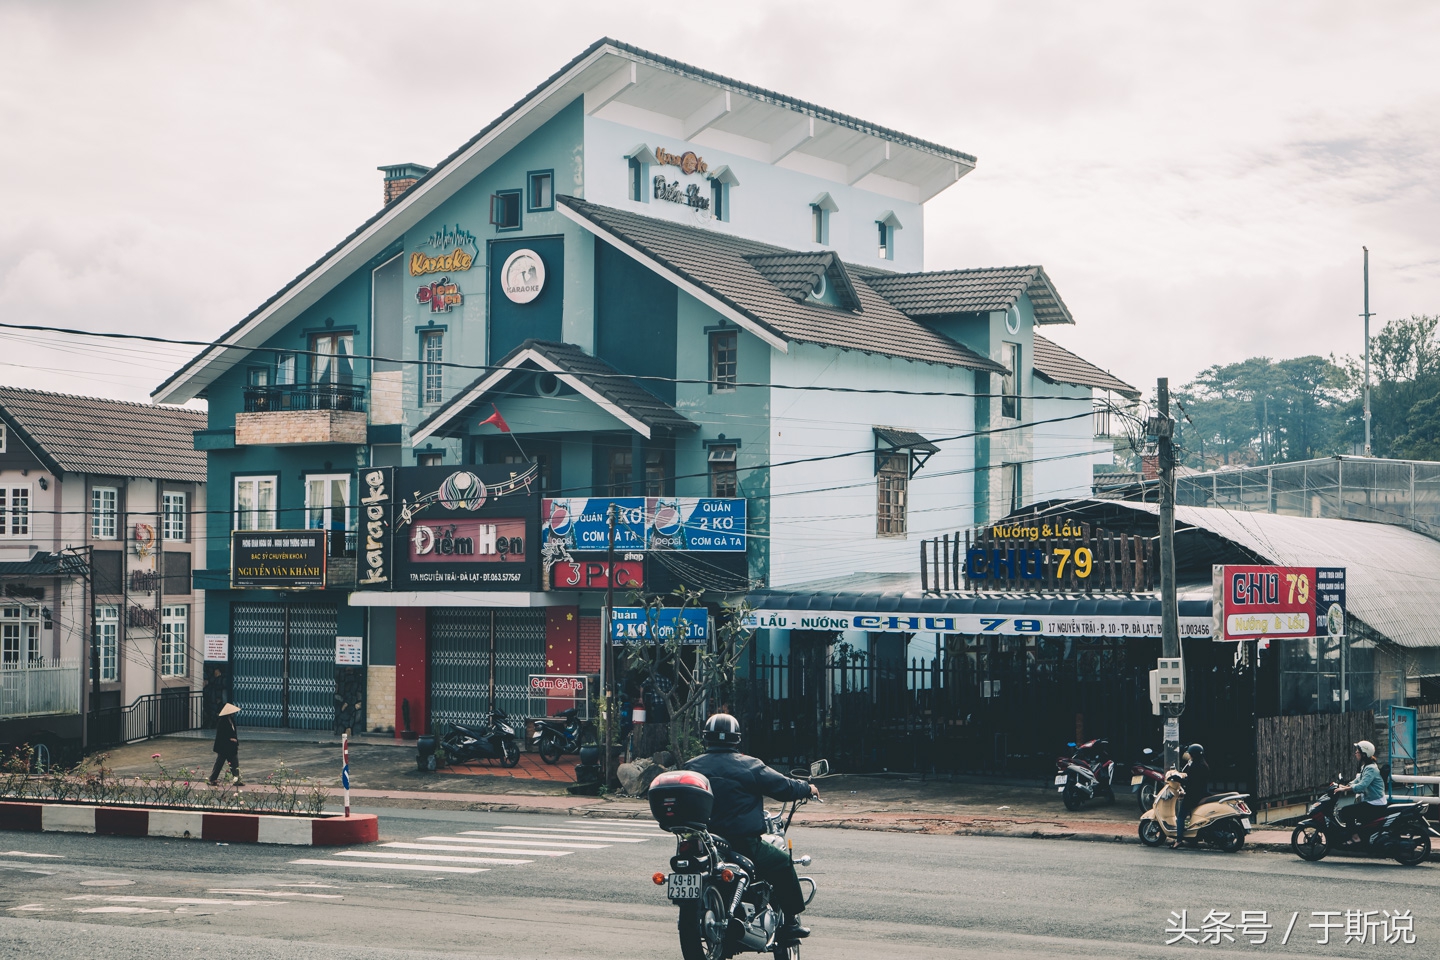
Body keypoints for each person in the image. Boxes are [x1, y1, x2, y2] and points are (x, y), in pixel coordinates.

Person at [684, 714, 819, 940]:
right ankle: (790, 923)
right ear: (737, 739)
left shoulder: (691, 766)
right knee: (783, 862)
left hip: (705, 843)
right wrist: (807, 788)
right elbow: (783, 787)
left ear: (705, 738)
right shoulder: (749, 765)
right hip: (742, 843)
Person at [1335, 739, 1387, 843]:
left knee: (1346, 812)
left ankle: (1355, 837)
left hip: (1375, 803)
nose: (1355, 753)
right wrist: (1344, 785)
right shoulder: (1366, 766)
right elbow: (1358, 780)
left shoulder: (1371, 769)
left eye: (1358, 751)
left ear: (1364, 754)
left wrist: (1345, 789)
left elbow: (1361, 786)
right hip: (1371, 801)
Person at [1172, 743, 1209, 850]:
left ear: (1194, 755)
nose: (1190, 756)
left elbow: (1190, 782)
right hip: (1202, 793)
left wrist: (1178, 779)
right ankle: (1193, 839)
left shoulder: (1196, 766)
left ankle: (1178, 840)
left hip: (1193, 795)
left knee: (1181, 816)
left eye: (1191, 754)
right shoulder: (1204, 764)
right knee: (1193, 816)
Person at [209, 703, 244, 786]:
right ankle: (212, 779)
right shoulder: (222, 721)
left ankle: (237, 779)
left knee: (234, 763)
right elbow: (221, 735)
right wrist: (230, 739)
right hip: (224, 746)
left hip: (231, 746)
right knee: (219, 763)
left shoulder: (231, 720)